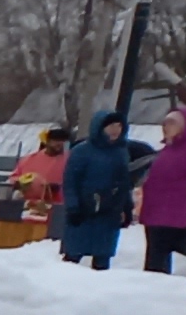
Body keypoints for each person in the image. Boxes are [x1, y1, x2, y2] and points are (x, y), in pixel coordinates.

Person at [54, 108, 141, 267]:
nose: (115, 130)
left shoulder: (121, 152)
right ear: (100, 128)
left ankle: (99, 287)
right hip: (84, 210)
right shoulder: (82, 151)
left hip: (109, 212)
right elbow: (70, 181)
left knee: (103, 255)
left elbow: (124, 182)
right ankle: (63, 285)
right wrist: (73, 207)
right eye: (110, 126)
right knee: (73, 255)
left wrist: (126, 207)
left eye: (118, 126)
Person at [134, 101, 186, 272]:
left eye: (172, 123)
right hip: (155, 212)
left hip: (177, 215)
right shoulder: (167, 150)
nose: (166, 127)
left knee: (159, 256)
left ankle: (160, 288)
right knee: (154, 255)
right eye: (165, 123)